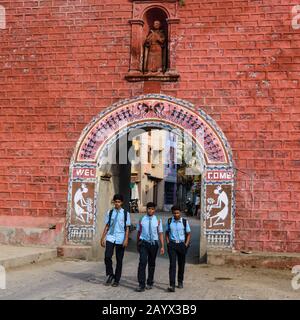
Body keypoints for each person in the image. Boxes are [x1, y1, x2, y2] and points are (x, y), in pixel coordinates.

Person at [100, 194, 131, 287]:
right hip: (111, 237)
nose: (117, 203)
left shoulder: (126, 214)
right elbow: (107, 226)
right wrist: (102, 238)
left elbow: (127, 228)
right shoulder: (110, 212)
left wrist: (126, 239)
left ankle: (117, 279)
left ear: (121, 203)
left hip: (120, 238)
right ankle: (110, 274)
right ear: (113, 202)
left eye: (119, 202)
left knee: (119, 260)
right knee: (107, 256)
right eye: (115, 202)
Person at [135, 202, 164, 292]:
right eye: (149, 208)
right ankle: (141, 284)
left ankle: (150, 281)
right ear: (146, 209)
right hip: (143, 243)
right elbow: (139, 232)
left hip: (154, 244)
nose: (150, 210)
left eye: (152, 209)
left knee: (151, 264)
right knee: (142, 262)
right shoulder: (141, 219)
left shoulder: (158, 220)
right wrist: (137, 244)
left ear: (154, 210)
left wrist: (162, 246)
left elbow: (160, 233)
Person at [165, 205, 191, 292]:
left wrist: (186, 244)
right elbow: (167, 233)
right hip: (172, 245)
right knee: (172, 265)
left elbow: (188, 233)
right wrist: (168, 243)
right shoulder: (169, 221)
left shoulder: (184, 222)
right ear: (172, 213)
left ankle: (180, 281)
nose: (176, 214)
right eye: (174, 213)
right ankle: (172, 285)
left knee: (181, 264)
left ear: (180, 212)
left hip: (181, 245)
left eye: (177, 213)